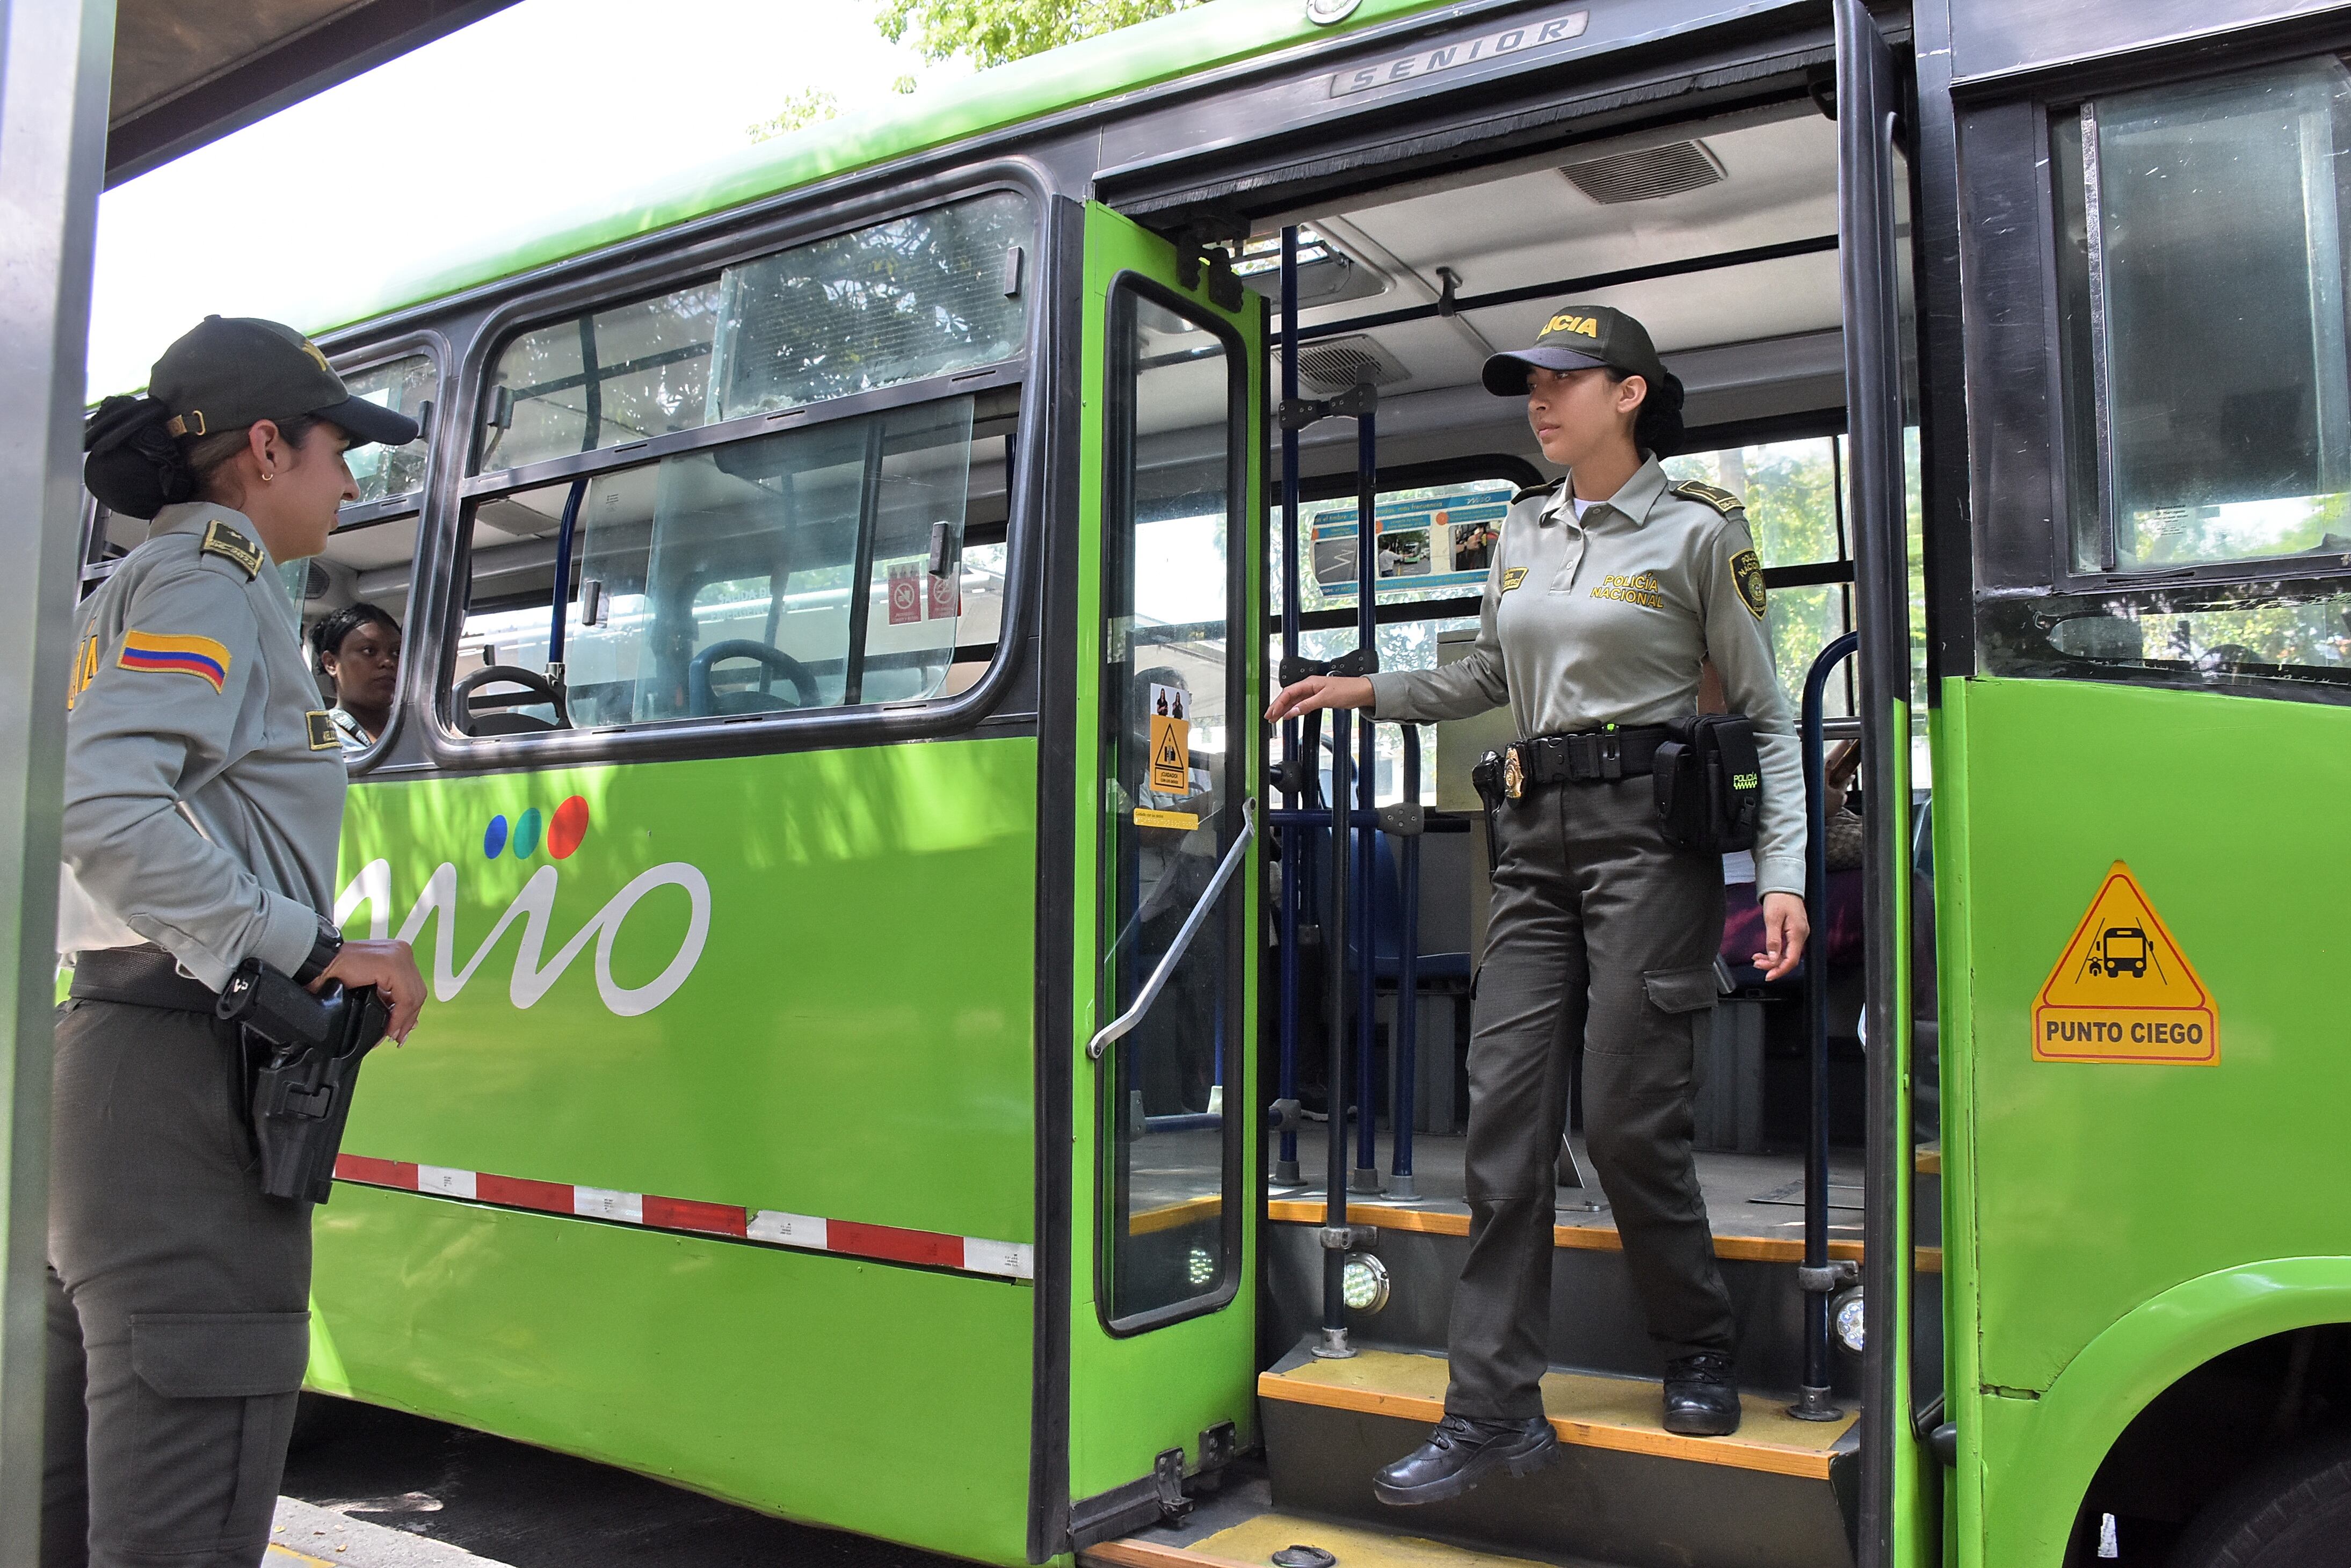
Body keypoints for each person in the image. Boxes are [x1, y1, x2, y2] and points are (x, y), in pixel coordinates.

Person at [1265, 304, 1809, 1502]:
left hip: (1646, 848)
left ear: (1628, 395)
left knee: (1623, 1121)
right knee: (1501, 1128)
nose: (1539, 399)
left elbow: (1764, 721)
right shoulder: (1520, 527)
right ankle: (1490, 1409)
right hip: (1530, 843)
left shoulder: (1695, 535)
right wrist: (1357, 684)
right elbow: (1481, 675)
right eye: (1530, 383)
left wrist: (1780, 877)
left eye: (1565, 379)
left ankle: (1699, 1339)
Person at [48, 315, 429, 1568]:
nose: (351, 480)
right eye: (336, 449)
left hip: (127, 1063)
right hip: (180, 1082)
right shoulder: (211, 583)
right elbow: (105, 811)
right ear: (265, 447)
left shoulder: (159, 586)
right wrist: (308, 947)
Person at [310, 601, 401, 752]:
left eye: (397, 653)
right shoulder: (318, 740)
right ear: (331, 663)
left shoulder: (431, 732)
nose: (388, 662)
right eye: (369, 651)